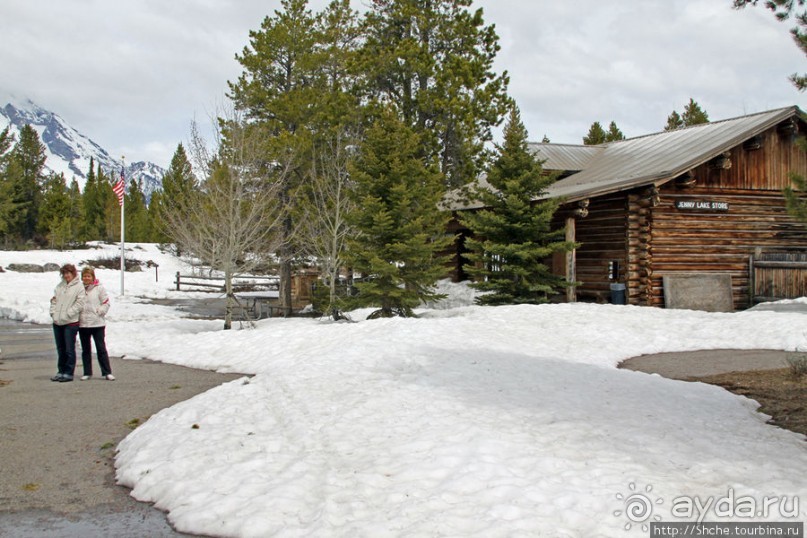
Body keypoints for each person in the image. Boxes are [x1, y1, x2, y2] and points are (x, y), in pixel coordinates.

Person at [49, 264, 85, 382]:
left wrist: (68, 314)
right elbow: (54, 301)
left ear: (73, 273)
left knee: (69, 349)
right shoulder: (60, 286)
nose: (66, 275)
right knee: (61, 348)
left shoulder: (79, 286)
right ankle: (61, 371)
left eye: (68, 273)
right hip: (58, 321)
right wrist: (53, 313)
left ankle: (69, 372)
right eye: (64, 273)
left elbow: (79, 304)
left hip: (70, 322)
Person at [78, 266, 114, 381]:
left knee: (101, 348)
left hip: (97, 323)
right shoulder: (79, 289)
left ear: (93, 277)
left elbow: (106, 303)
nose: (86, 278)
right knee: (86, 349)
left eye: (88, 276)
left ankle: (107, 372)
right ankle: (87, 372)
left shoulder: (99, 289)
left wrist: (100, 311)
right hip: (83, 324)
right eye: (84, 276)